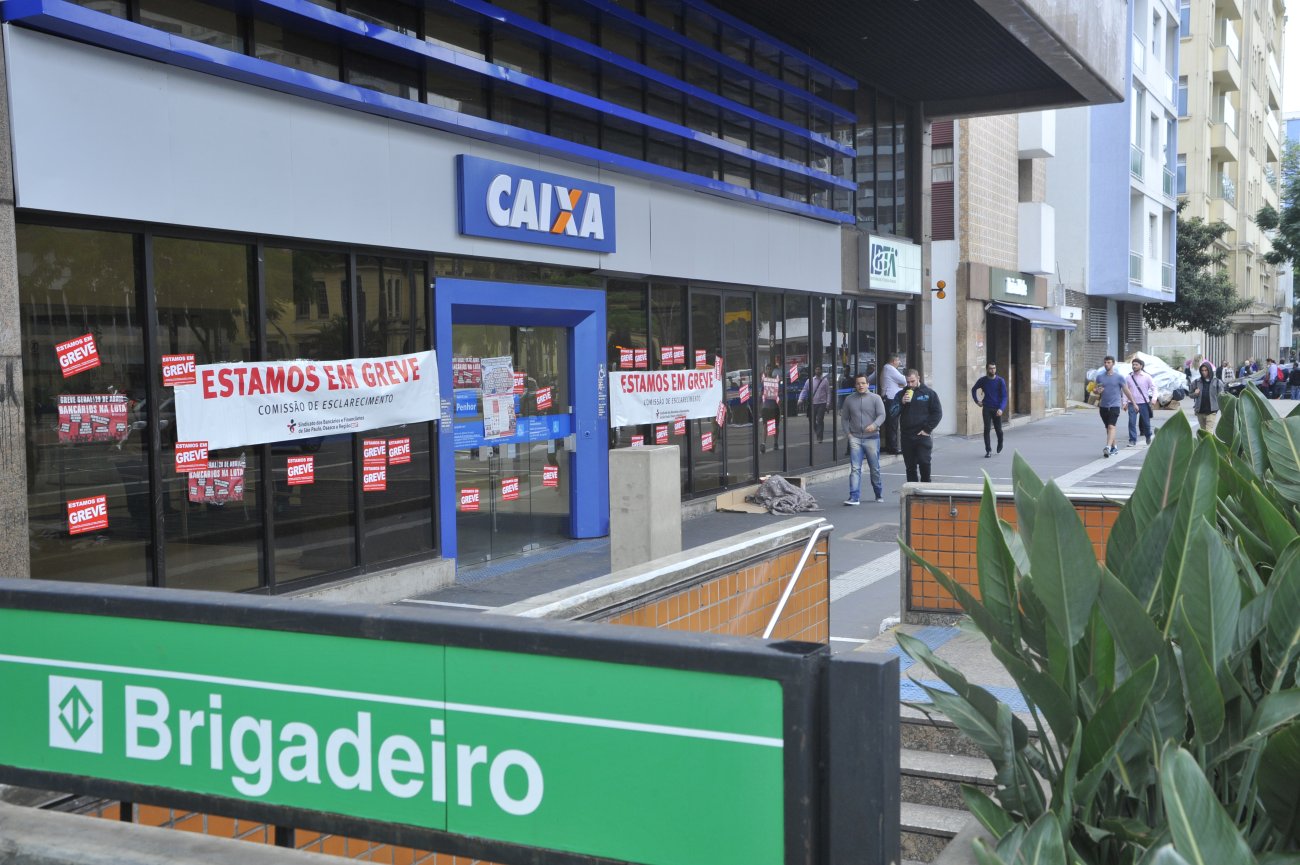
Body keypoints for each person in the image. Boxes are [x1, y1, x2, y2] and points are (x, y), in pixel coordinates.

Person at [840, 374, 886, 505]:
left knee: (874, 468)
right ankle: (854, 497)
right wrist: (848, 433)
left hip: (872, 438)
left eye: (863, 383)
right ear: (855, 385)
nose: (860, 385)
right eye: (858, 383)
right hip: (855, 438)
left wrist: (875, 425)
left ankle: (878, 493)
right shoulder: (849, 399)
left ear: (867, 384)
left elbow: (882, 415)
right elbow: (844, 418)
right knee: (855, 468)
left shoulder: (876, 398)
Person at [891, 369, 942, 483]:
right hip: (907, 436)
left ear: (919, 378)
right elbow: (892, 413)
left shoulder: (929, 393)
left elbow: (937, 413)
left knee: (924, 462)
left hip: (922, 434)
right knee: (910, 467)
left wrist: (927, 429)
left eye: (912, 381)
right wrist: (902, 403)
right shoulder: (900, 394)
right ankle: (912, 491)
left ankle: (926, 486)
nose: (910, 385)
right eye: (908, 382)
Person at [970, 362, 1008, 458]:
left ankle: (1000, 442)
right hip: (986, 407)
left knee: (998, 430)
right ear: (987, 369)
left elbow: (1004, 396)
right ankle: (988, 450)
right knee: (987, 429)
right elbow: (973, 389)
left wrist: (1001, 408)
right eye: (991, 368)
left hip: (997, 409)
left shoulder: (1000, 381)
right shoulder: (983, 380)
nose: (993, 370)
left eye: (994, 368)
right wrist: (977, 401)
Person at [871, 354, 907, 455]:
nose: (899, 362)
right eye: (898, 360)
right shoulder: (890, 368)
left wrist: (900, 384)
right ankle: (893, 447)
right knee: (893, 424)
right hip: (891, 399)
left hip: (888, 398)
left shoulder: (886, 369)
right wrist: (901, 384)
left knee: (891, 423)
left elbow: (903, 383)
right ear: (893, 361)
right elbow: (904, 380)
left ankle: (889, 446)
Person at [1095, 356, 1125, 457]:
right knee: (1108, 428)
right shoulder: (1100, 377)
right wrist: (1097, 391)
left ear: (1113, 364)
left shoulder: (1119, 377)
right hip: (1103, 405)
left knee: (1111, 426)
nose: (1106, 364)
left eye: (1108, 362)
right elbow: (1097, 389)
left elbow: (1126, 391)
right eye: (1105, 362)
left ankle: (1107, 447)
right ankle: (1114, 447)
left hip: (1115, 405)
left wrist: (1132, 402)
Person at [1123, 357, 1155, 447]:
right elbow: (1125, 391)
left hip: (1144, 403)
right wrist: (1124, 402)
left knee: (1146, 422)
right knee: (1131, 422)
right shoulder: (1129, 377)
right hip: (1131, 403)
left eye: (1136, 365)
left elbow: (1154, 387)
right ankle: (1132, 440)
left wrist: (1154, 399)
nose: (1134, 366)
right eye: (1133, 365)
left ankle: (1148, 435)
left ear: (1141, 366)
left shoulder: (1146, 376)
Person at [1189, 361, 1226, 434]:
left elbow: (1222, 396)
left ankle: (1210, 444)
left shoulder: (1217, 382)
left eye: (1206, 370)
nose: (1204, 372)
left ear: (1209, 370)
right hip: (1200, 411)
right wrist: (1195, 394)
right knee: (1203, 432)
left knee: (1208, 432)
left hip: (1211, 411)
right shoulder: (1196, 382)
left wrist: (1222, 409)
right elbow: (1190, 394)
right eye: (1202, 370)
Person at [797, 367, 831, 443]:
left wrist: (828, 403)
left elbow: (828, 393)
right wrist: (800, 399)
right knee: (811, 420)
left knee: (820, 420)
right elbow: (804, 390)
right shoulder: (810, 381)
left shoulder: (825, 381)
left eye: (819, 369)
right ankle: (818, 432)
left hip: (822, 403)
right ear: (814, 371)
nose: (818, 371)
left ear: (821, 371)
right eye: (816, 369)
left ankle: (820, 437)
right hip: (813, 404)